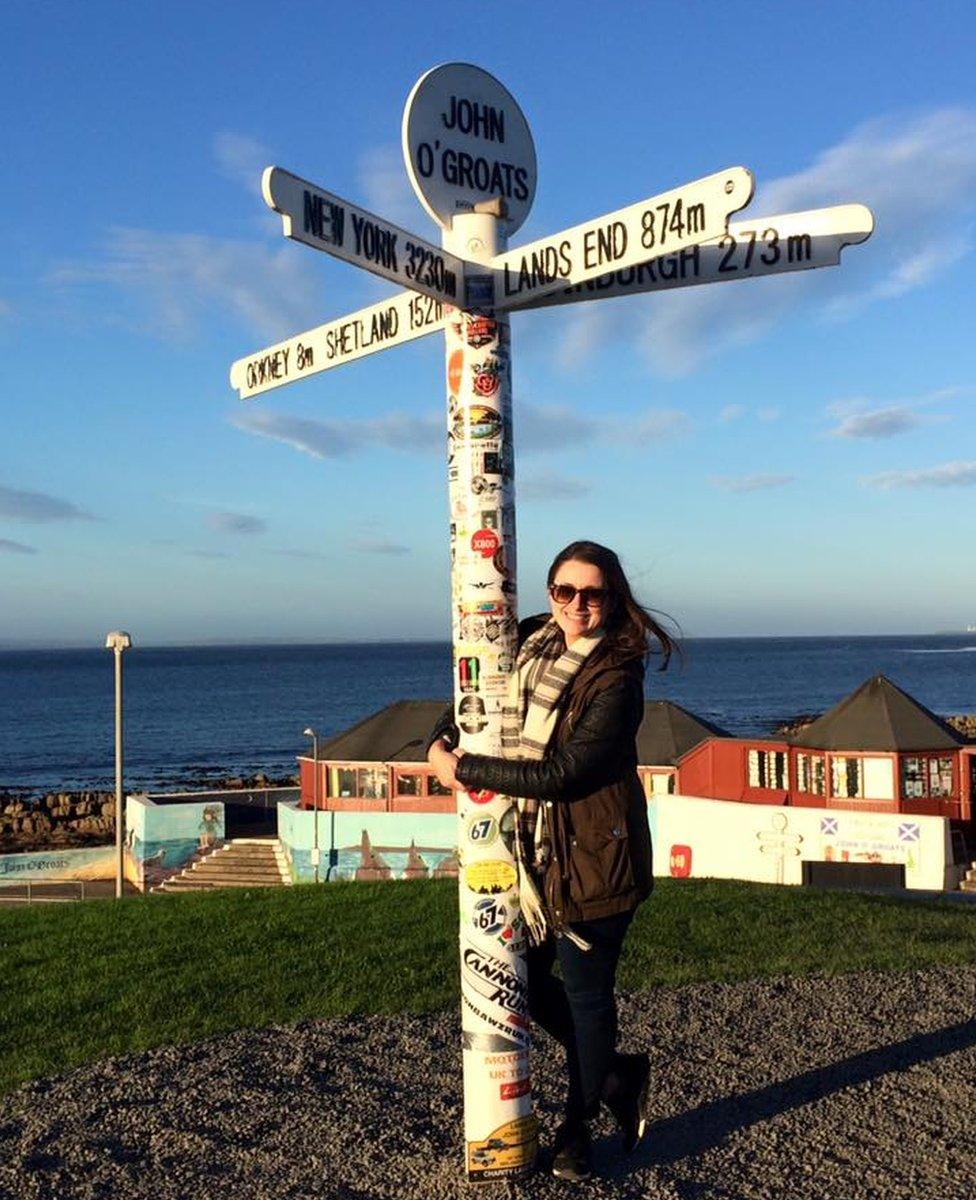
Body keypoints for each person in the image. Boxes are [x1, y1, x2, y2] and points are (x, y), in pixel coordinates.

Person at [427, 540, 675, 1182]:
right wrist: (438, 738)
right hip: (530, 855)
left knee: (589, 999)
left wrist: (466, 771)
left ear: (613, 597)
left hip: (594, 859)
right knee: (523, 980)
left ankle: (577, 1127)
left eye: (592, 593)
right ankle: (618, 1075)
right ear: (549, 594)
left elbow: (566, 774)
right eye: (564, 591)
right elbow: (478, 683)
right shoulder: (534, 637)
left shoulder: (618, 675)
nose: (577, 605)